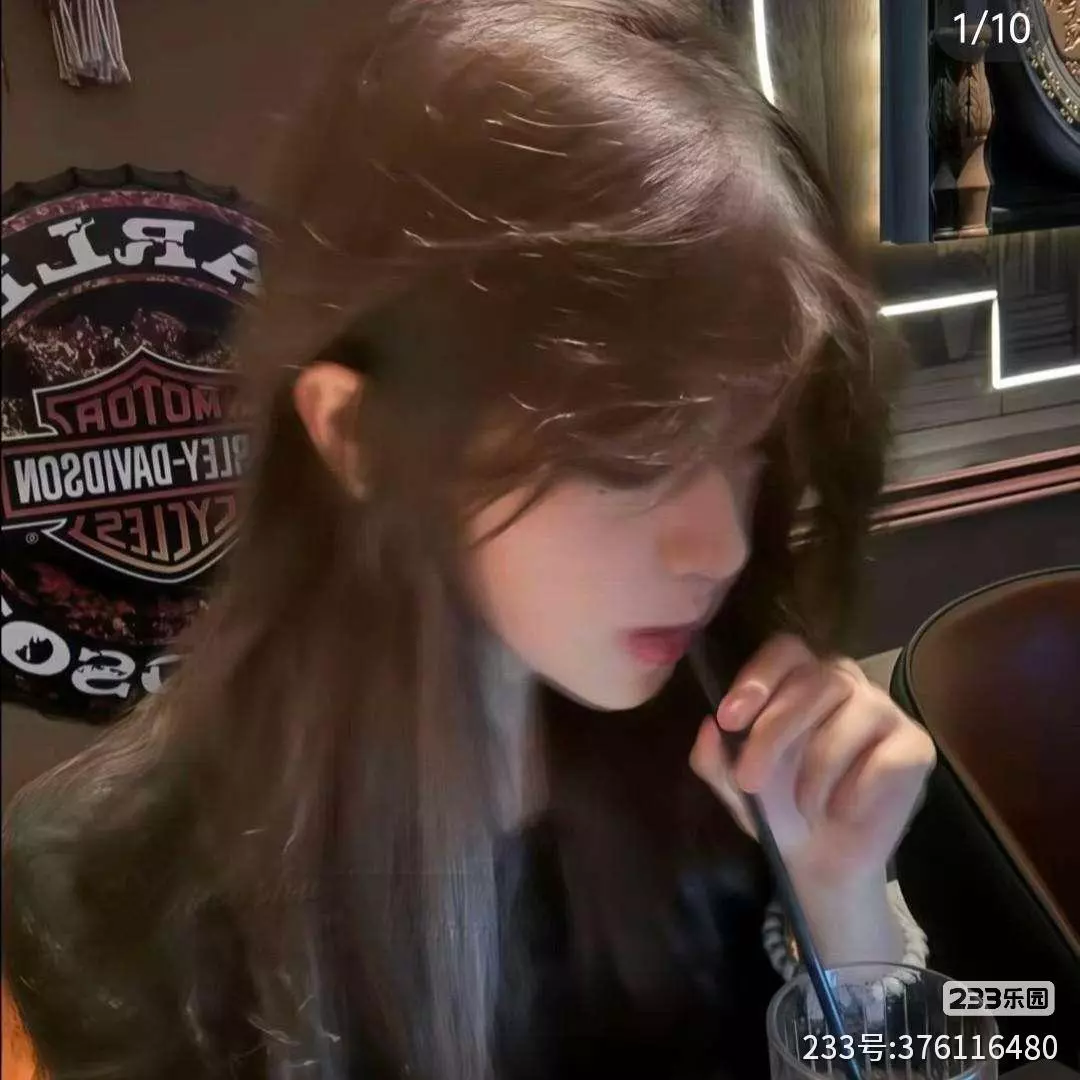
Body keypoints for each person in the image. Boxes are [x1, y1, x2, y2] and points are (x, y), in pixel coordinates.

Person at [1, 2, 937, 1078]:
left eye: (748, 448)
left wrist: (843, 909)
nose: (719, 548)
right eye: (628, 458)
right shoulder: (110, 882)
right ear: (361, 439)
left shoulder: (736, 743)